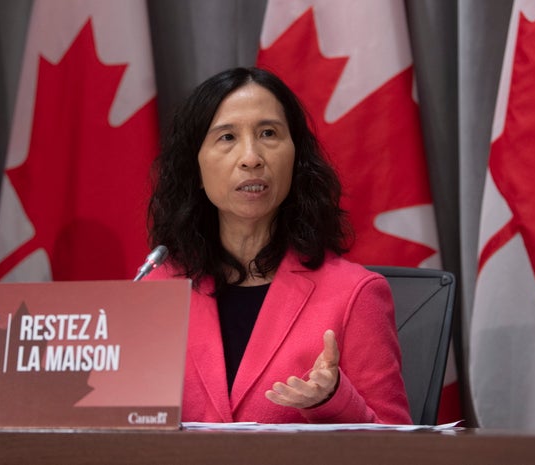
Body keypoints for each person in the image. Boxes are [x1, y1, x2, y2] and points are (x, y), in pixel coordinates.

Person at [146, 67, 411, 424]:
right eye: (227, 137)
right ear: (195, 166)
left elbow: (399, 451)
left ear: (296, 157)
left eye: (268, 133)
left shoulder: (355, 295)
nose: (251, 157)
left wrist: (334, 400)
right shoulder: (157, 293)